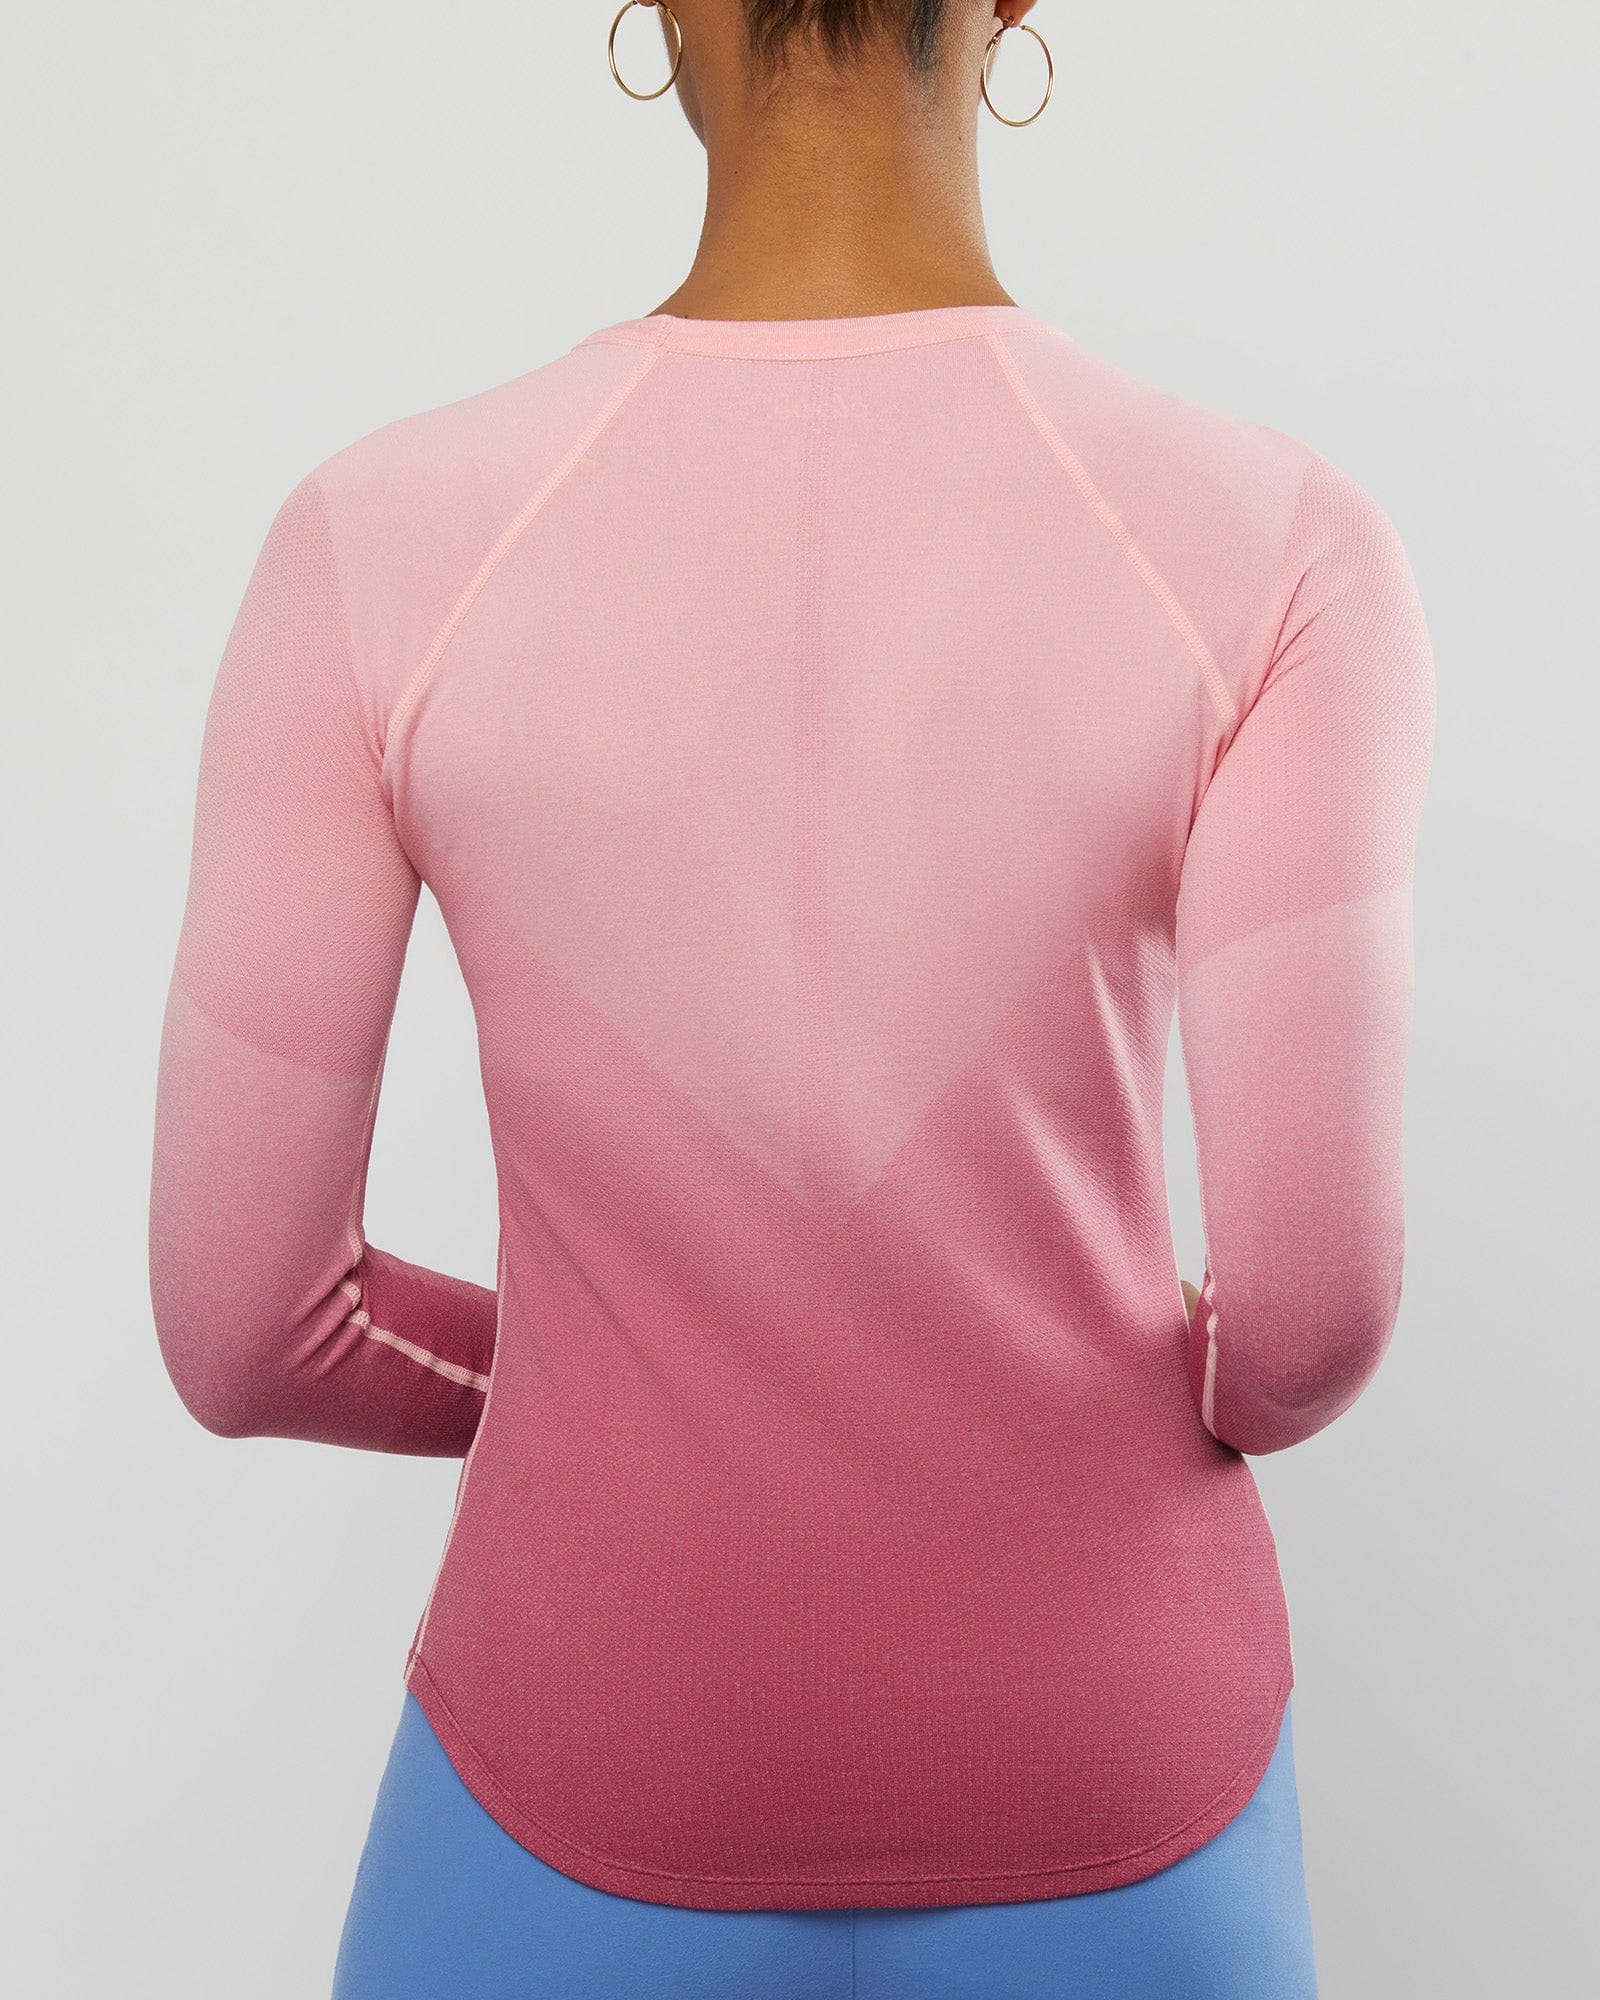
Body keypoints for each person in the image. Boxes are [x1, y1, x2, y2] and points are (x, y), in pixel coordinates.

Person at [146, 2, 1435, 1993]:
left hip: (569, 1778)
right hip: (1114, 1790)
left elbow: (248, 1330)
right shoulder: (1278, 555)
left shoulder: (375, 548)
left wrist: (627, 1382)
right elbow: (1306, 1322)